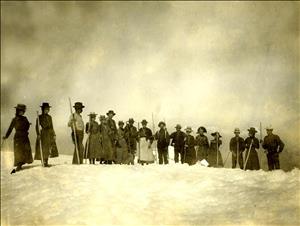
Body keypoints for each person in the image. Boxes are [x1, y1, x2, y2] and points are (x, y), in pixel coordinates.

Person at [3, 104, 33, 173]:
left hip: (25, 136)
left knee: (25, 150)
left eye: (22, 111)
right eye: (20, 111)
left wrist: (28, 124)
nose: (21, 112)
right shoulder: (14, 119)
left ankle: (22, 163)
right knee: (18, 151)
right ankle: (19, 165)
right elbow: (10, 128)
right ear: (17, 111)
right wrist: (6, 136)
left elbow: (27, 127)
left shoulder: (25, 118)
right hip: (18, 137)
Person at [35, 102, 59, 167]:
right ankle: (43, 161)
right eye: (45, 109)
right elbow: (37, 126)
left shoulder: (49, 117)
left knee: (48, 148)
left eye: (48, 109)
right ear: (43, 109)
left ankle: (46, 161)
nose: (47, 110)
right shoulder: (39, 117)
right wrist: (38, 134)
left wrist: (54, 134)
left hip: (49, 133)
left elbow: (51, 126)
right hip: (43, 133)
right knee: (43, 148)